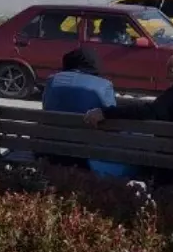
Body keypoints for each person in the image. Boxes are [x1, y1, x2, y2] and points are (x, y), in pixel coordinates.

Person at [41, 48, 135, 177]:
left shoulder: (51, 81)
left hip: (50, 150)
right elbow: (112, 122)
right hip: (88, 154)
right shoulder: (104, 85)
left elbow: (46, 106)